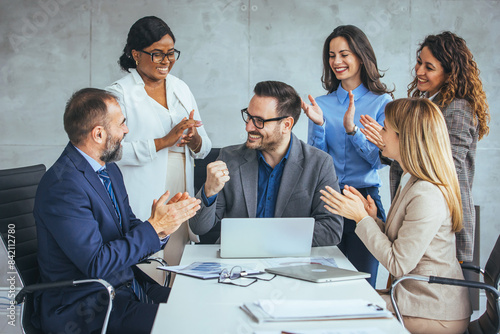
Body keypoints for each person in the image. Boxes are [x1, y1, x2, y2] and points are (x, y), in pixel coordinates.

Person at [33, 88, 201, 334]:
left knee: (202, 305)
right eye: (122, 123)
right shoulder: (62, 186)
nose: (126, 130)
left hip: (125, 286)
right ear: (99, 133)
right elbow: (97, 263)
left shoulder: (108, 170)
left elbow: (127, 229)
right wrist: (152, 228)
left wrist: (163, 226)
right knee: (187, 325)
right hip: (86, 306)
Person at [321, 98, 471, 334]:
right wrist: (373, 219)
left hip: (433, 312)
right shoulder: (411, 180)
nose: (379, 134)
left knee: (335, 317)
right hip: (414, 300)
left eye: (385, 128)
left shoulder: (427, 194)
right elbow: (404, 242)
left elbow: (398, 263)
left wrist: (362, 219)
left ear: (405, 138)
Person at [360, 31, 490, 263]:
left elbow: (446, 168)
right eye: (419, 62)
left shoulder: (457, 108)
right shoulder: (432, 102)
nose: (419, 71)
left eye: (429, 67)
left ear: (450, 73)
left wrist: (390, 144)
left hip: (445, 222)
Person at [106, 16, 212, 270]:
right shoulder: (118, 94)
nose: (166, 61)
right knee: (147, 264)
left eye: (171, 53)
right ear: (135, 54)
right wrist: (164, 141)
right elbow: (111, 152)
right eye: (157, 54)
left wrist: (194, 139)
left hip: (180, 186)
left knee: (177, 265)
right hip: (144, 191)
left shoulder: (181, 88)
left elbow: (205, 147)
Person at [189, 81, 343, 246]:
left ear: (286, 125)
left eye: (259, 121)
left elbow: (331, 230)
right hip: (237, 263)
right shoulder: (229, 158)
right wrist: (209, 191)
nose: (248, 127)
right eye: (248, 116)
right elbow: (199, 227)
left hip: (292, 262)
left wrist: (265, 237)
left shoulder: (319, 164)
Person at [301, 25, 393, 286]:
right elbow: (315, 162)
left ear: (361, 56)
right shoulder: (322, 104)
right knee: (324, 282)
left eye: (344, 54)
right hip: (328, 199)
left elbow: (379, 160)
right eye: (331, 55)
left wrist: (353, 131)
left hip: (364, 199)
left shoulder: (382, 102)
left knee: (362, 283)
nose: (337, 62)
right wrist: (319, 126)